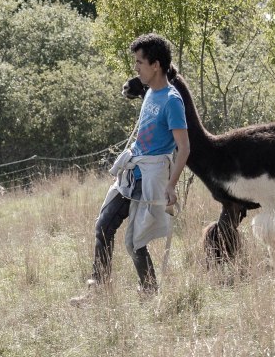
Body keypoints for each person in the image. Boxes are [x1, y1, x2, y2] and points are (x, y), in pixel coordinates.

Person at [75, 33, 191, 305]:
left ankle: (149, 293)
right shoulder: (150, 93)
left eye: (140, 62)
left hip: (149, 177)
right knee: (104, 225)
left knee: (135, 241)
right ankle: (99, 290)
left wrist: (171, 185)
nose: (136, 68)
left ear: (156, 65)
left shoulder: (172, 101)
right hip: (132, 172)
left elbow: (184, 148)